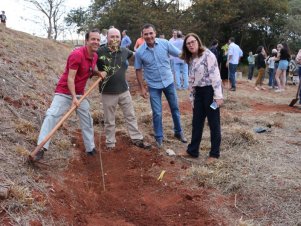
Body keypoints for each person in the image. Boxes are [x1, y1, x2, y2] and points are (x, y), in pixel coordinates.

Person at [33, 29, 106, 160]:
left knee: (87, 119)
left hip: (80, 94)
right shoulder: (77, 55)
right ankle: (41, 148)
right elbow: (70, 79)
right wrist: (73, 98)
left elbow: (91, 68)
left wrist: (98, 73)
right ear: (87, 41)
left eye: (98, 40)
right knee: (51, 115)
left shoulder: (94, 56)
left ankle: (90, 148)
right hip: (65, 92)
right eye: (93, 39)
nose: (96, 42)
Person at [96, 27, 151, 150]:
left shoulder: (124, 51)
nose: (115, 39)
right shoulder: (100, 52)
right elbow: (89, 64)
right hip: (108, 92)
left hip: (124, 91)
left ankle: (137, 139)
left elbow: (137, 55)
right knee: (109, 120)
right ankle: (110, 143)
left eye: (117, 37)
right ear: (107, 38)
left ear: (121, 39)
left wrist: (151, 50)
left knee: (130, 116)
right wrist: (96, 72)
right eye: (112, 37)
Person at [134, 23, 187, 148]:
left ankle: (178, 132)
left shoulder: (165, 43)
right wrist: (142, 87)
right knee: (157, 112)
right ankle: (159, 137)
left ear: (155, 33)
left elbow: (179, 54)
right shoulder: (140, 52)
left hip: (168, 82)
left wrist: (194, 55)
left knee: (175, 108)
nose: (149, 36)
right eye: (146, 34)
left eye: (151, 33)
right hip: (153, 86)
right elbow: (138, 70)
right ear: (142, 35)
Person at [180, 33, 223, 163]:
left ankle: (214, 154)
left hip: (210, 91)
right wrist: (192, 97)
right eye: (188, 44)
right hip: (198, 93)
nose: (191, 45)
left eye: (193, 42)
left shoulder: (208, 55)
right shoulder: (192, 59)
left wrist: (218, 96)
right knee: (196, 123)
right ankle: (193, 150)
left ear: (198, 42)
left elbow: (215, 75)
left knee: (213, 123)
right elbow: (192, 80)